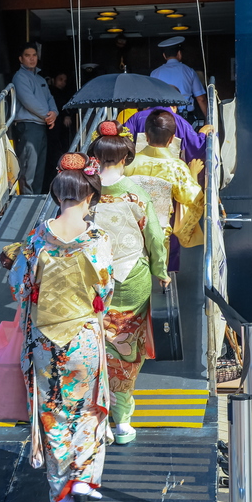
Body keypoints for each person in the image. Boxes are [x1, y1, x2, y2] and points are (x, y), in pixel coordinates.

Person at [8, 152, 114, 502]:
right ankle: (84, 477)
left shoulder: (37, 238)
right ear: (89, 196)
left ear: (58, 195)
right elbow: (105, 290)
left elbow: (19, 287)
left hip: (45, 341)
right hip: (83, 336)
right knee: (89, 408)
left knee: (53, 413)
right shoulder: (98, 239)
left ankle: (59, 497)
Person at [88, 121, 170, 446]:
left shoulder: (86, 195)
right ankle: (122, 421)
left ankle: (98, 417)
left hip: (93, 283)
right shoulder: (136, 195)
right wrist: (161, 270)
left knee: (94, 349)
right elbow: (154, 239)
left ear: (96, 156)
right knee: (126, 351)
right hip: (132, 280)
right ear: (125, 157)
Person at [125, 111, 205, 270]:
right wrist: (193, 173)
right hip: (159, 233)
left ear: (146, 136)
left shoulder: (129, 163)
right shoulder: (176, 167)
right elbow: (194, 198)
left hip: (130, 230)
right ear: (171, 139)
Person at [12, 43, 58, 194]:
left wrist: (54, 113)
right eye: (27, 55)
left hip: (41, 125)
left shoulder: (40, 79)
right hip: (29, 126)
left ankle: (35, 199)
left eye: (34, 55)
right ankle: (26, 200)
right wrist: (48, 116)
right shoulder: (20, 77)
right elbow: (28, 101)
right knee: (28, 166)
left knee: (39, 166)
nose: (32, 59)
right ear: (20, 59)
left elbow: (50, 98)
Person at [150, 37, 208, 120]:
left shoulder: (155, 73)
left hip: (162, 117)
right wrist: (208, 119)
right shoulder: (189, 71)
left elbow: (151, 99)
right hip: (185, 117)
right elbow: (201, 98)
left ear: (164, 56)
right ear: (179, 53)